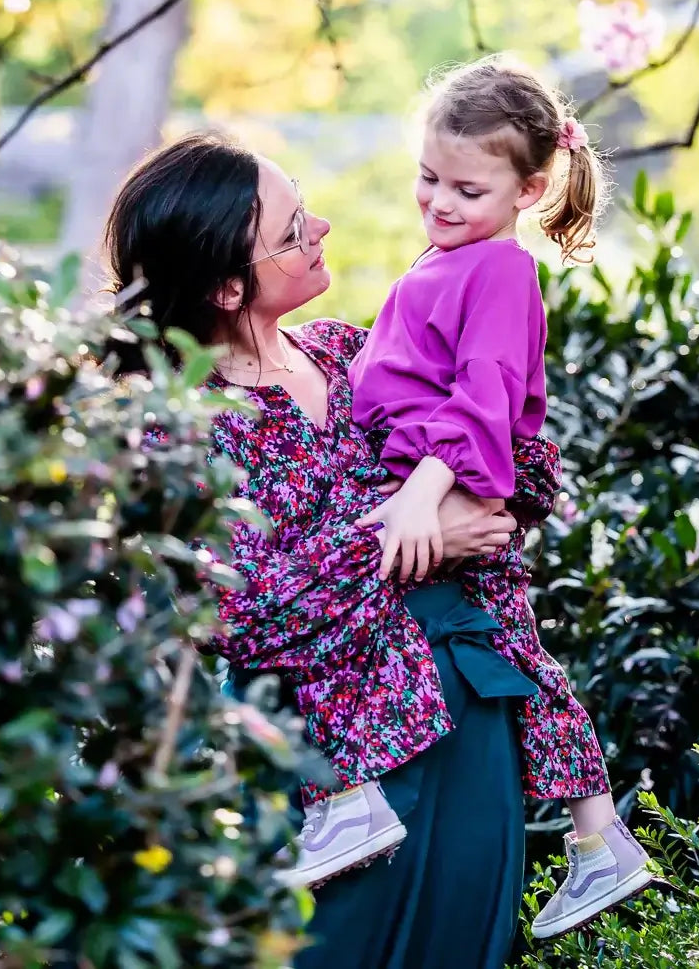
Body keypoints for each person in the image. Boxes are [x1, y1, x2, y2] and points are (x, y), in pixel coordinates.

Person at [102, 129, 607, 968]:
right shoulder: (176, 423)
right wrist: (413, 538)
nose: (324, 228)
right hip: (333, 762)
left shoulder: (350, 351)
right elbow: (248, 610)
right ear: (229, 285)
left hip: (472, 712)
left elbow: (519, 479)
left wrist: (476, 480)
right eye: (295, 230)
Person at [273, 57, 651, 940]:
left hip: (431, 473)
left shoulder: (501, 272)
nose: (439, 201)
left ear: (528, 188)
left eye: (466, 188)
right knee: (508, 649)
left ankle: (353, 793)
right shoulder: (454, 255)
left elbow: (486, 396)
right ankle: (595, 839)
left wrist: (420, 496)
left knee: (334, 607)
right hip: (416, 468)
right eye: (428, 177)